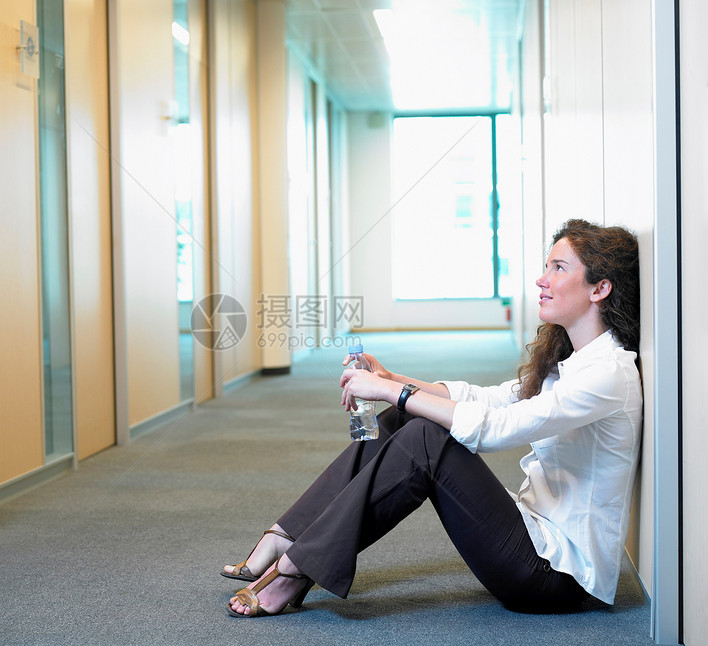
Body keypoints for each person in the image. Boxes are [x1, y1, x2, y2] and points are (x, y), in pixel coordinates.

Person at [222, 218, 642, 618]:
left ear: (599, 288)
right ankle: (287, 538)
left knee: (425, 437)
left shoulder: (607, 373)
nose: (541, 279)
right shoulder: (570, 361)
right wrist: (393, 379)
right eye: (545, 266)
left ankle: (297, 568)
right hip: (533, 537)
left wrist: (391, 392)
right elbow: (488, 399)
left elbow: (497, 430)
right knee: (405, 420)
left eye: (558, 267)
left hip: (559, 577)